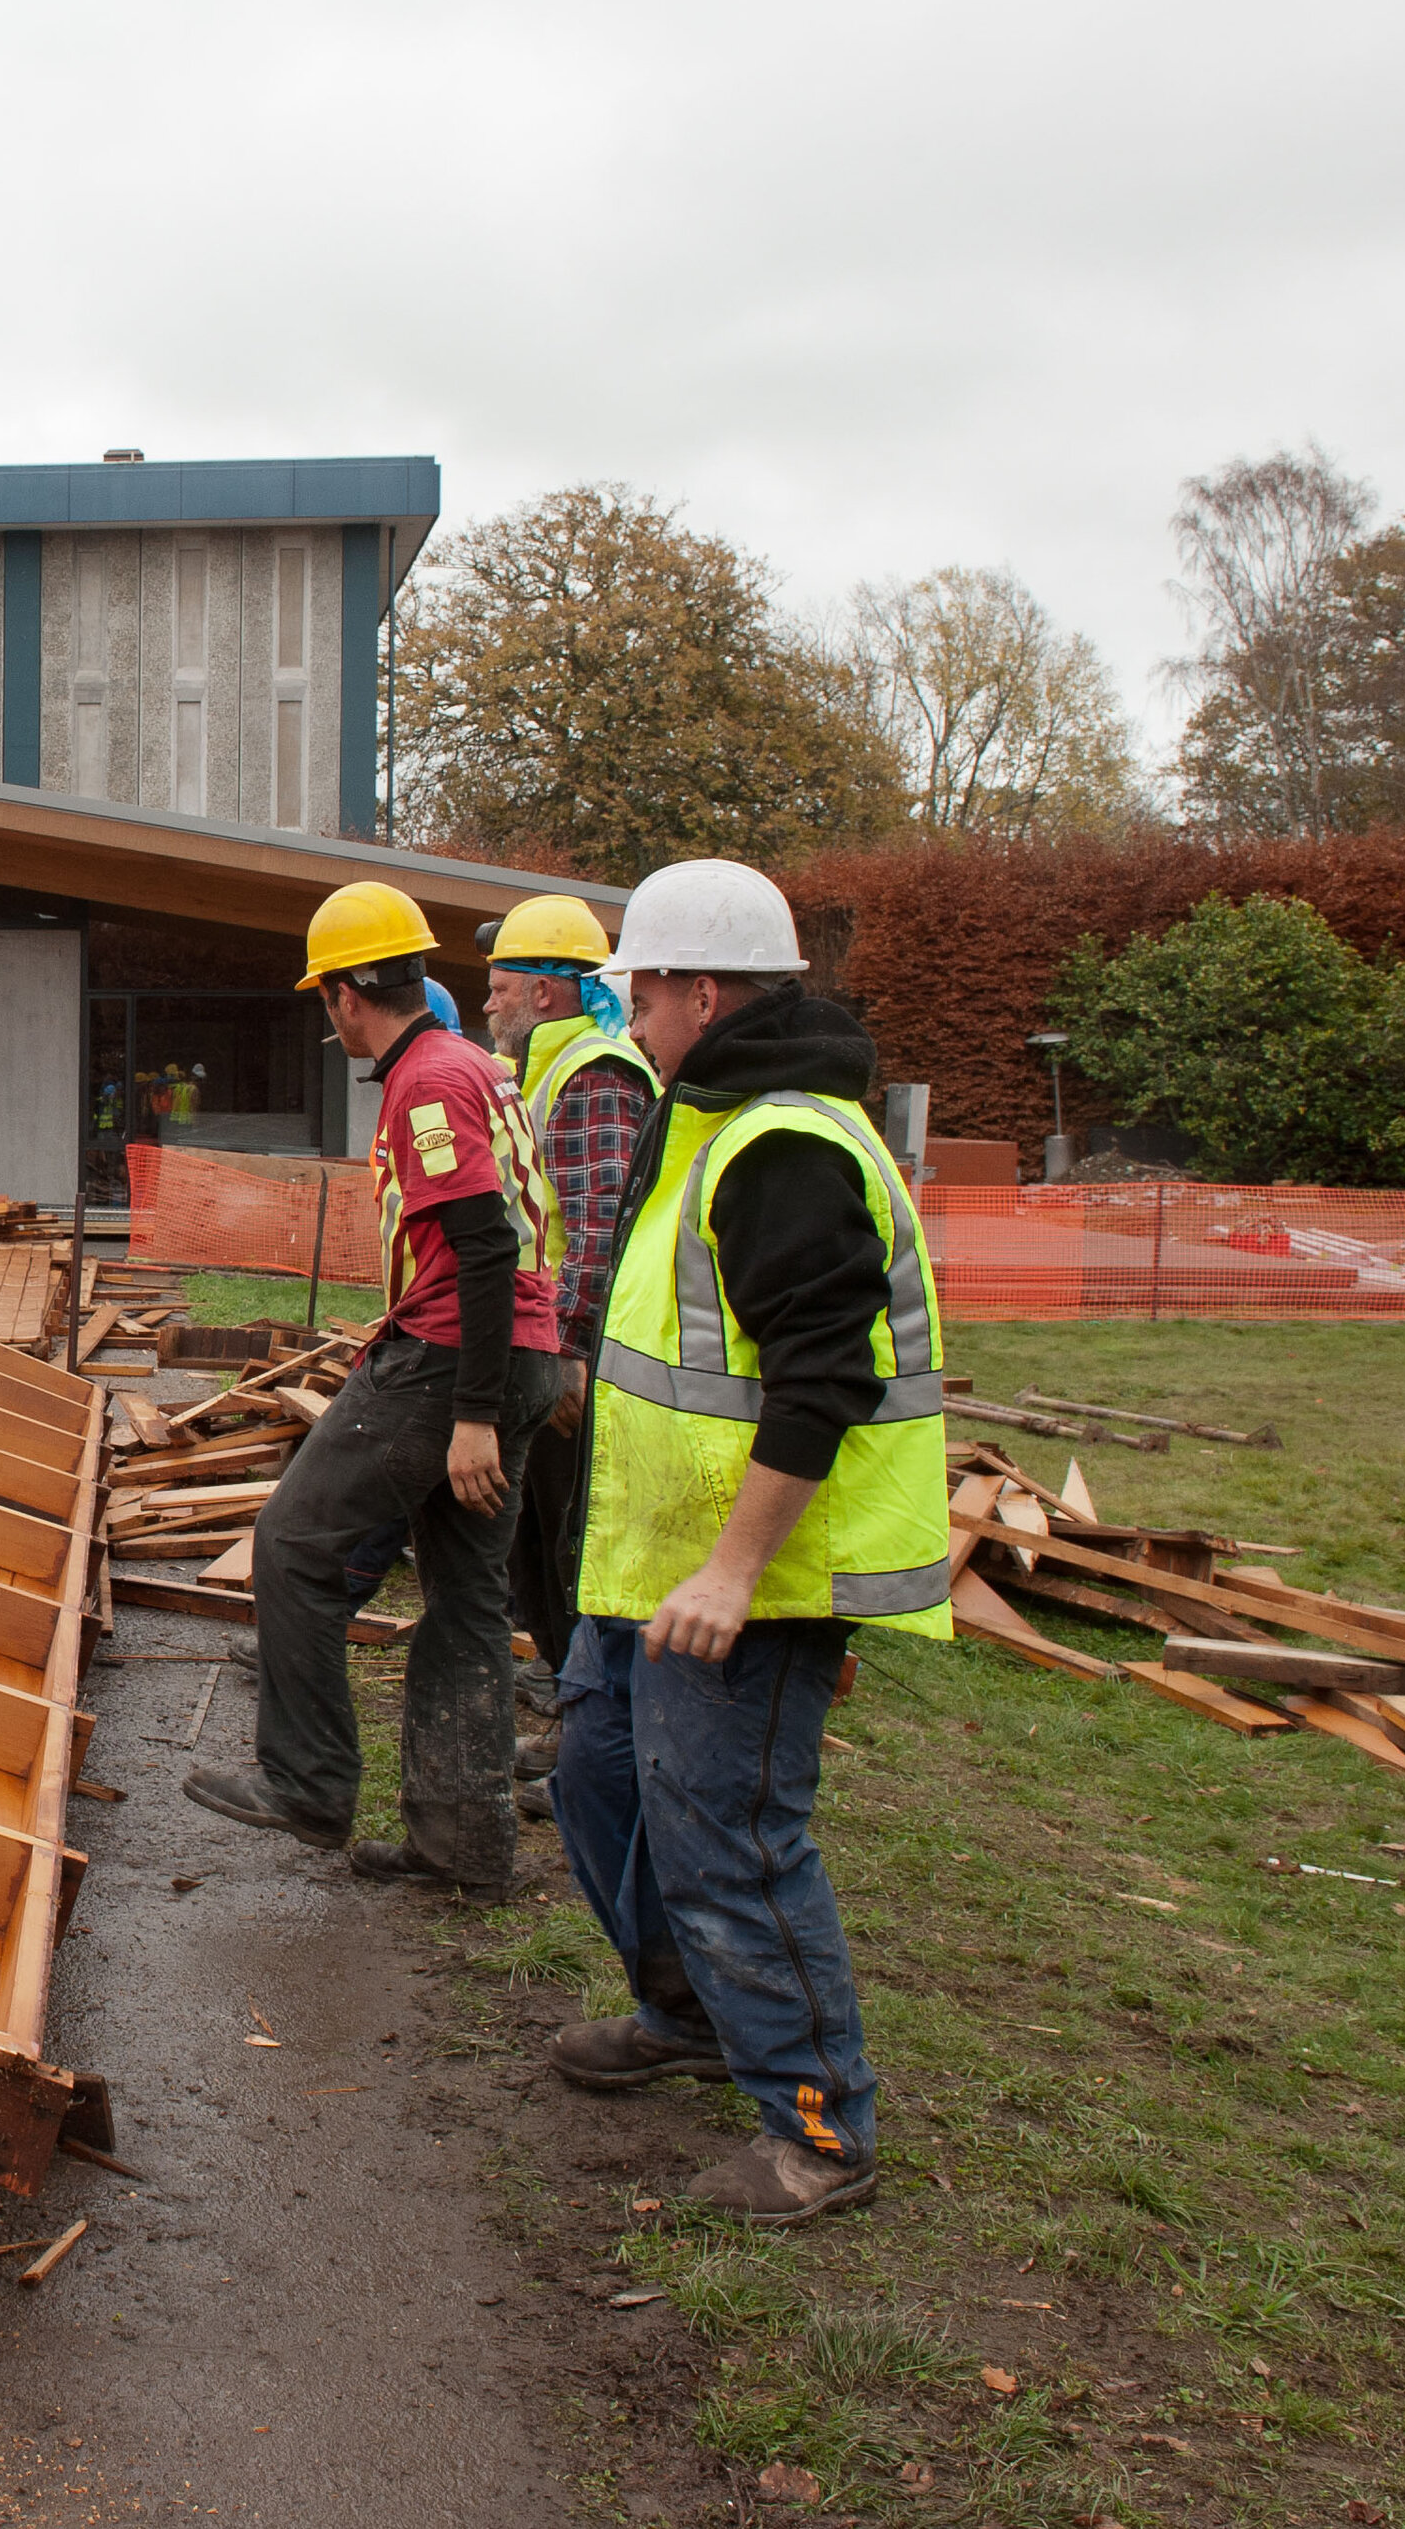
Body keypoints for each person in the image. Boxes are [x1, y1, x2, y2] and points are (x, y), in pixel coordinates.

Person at [544, 858, 950, 2226]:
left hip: (743, 1580)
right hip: (649, 1566)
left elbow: (820, 1377)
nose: (630, 1020)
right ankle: (686, 2010)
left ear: (700, 992)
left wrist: (729, 1569)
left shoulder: (784, 1144)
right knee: (598, 1780)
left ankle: (817, 2127)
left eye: (640, 993)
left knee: (730, 1835)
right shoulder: (708, 1115)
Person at [185, 882, 561, 1891]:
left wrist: (473, 1414)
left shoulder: (427, 1083)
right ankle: (464, 1846)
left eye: (325, 996)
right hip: (518, 1352)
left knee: (294, 1542)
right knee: (468, 1599)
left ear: (352, 993)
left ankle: (306, 1784)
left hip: (455, 1361)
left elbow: (484, 1242)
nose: (328, 1015)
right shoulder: (477, 1066)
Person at [472, 896, 660, 1782]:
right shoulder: (547, 1067)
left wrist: (567, 1352)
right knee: (538, 1540)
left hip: (573, 1360)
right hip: (546, 1347)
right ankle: (575, 1723)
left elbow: (592, 1226)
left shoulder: (594, 1075)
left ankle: (593, 1747)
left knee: (572, 1546)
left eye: (500, 987)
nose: (486, 1005)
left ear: (545, 994)